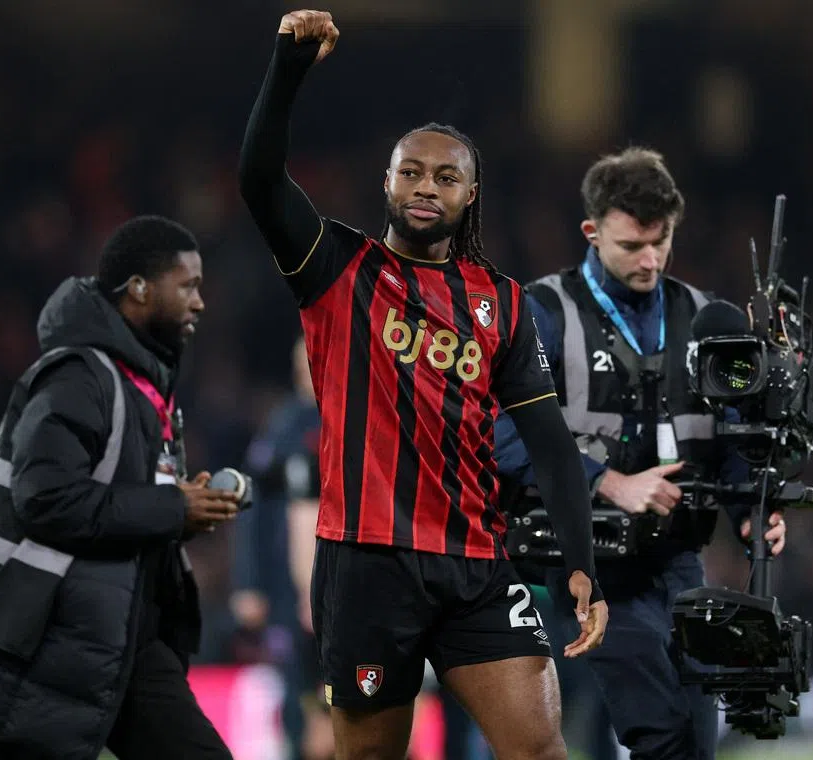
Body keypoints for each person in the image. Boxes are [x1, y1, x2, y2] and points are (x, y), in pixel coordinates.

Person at [238, 11, 608, 760]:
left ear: (471, 194)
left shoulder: (501, 303)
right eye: (410, 171)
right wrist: (288, 70)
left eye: (445, 176)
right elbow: (259, 178)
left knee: (541, 750)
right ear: (387, 182)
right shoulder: (335, 267)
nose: (425, 186)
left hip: (476, 563)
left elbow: (548, 443)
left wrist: (582, 565)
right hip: (366, 564)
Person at [0, 216, 243, 760]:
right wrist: (170, 506)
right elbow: (45, 499)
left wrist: (182, 505)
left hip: (124, 637)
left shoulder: (138, 383)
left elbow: (116, 502)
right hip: (50, 643)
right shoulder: (76, 378)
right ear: (139, 288)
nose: (199, 302)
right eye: (187, 286)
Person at [494, 148, 789, 760]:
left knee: (695, 741)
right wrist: (607, 481)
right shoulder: (543, 313)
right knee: (659, 730)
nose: (650, 260)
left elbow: (734, 433)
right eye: (632, 245)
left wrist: (750, 512)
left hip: (679, 562)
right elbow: (497, 430)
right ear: (592, 231)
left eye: (662, 242)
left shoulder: (706, 318)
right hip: (588, 566)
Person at [229, 335, 324, 760]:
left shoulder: (355, 417)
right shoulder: (286, 426)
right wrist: (249, 583)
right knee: (296, 687)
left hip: (347, 580)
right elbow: (251, 506)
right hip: (288, 583)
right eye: (302, 365)